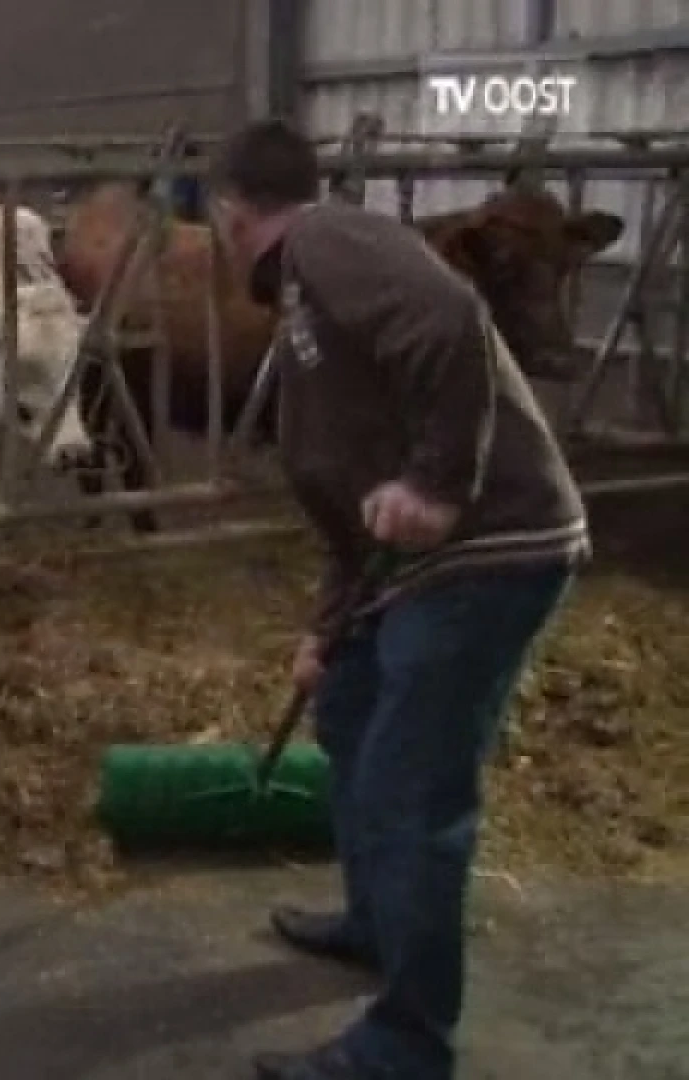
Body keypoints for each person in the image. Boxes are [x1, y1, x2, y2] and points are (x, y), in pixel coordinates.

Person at [207, 119, 588, 1080]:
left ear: (229, 210)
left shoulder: (330, 239)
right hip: (410, 571)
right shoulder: (304, 304)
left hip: (489, 551)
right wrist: (323, 631)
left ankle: (408, 1043)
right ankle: (379, 923)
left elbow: (453, 321)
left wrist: (438, 484)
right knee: (347, 708)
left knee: (412, 785)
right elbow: (351, 503)